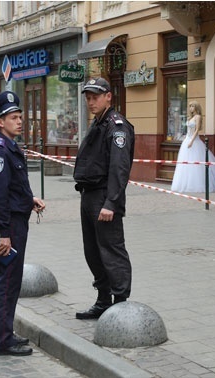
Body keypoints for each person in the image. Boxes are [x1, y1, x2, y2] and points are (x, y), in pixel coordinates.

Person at [0, 91, 45, 356]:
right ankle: (1, 341)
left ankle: (5, 333)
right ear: (0, 121)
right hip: (11, 226)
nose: (19, 121)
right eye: (13, 117)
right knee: (7, 282)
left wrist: (30, 199)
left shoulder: (9, 146)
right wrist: (4, 234)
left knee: (11, 280)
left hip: (18, 219)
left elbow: (12, 187)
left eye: (20, 117)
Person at [73, 77, 135, 319]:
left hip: (104, 198)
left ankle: (120, 304)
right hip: (88, 196)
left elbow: (119, 169)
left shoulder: (116, 126)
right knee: (93, 251)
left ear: (108, 96)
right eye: (88, 97)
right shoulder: (98, 123)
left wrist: (111, 203)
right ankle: (102, 300)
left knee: (111, 250)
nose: (91, 101)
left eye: (95, 96)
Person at [171, 101, 215, 193]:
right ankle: (186, 184)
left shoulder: (198, 117)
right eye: (190, 106)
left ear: (196, 107)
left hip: (194, 141)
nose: (191, 108)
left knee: (197, 163)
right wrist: (185, 138)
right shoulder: (190, 117)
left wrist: (191, 141)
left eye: (192, 106)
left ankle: (199, 185)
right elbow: (189, 130)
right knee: (186, 163)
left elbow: (197, 130)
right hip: (186, 140)